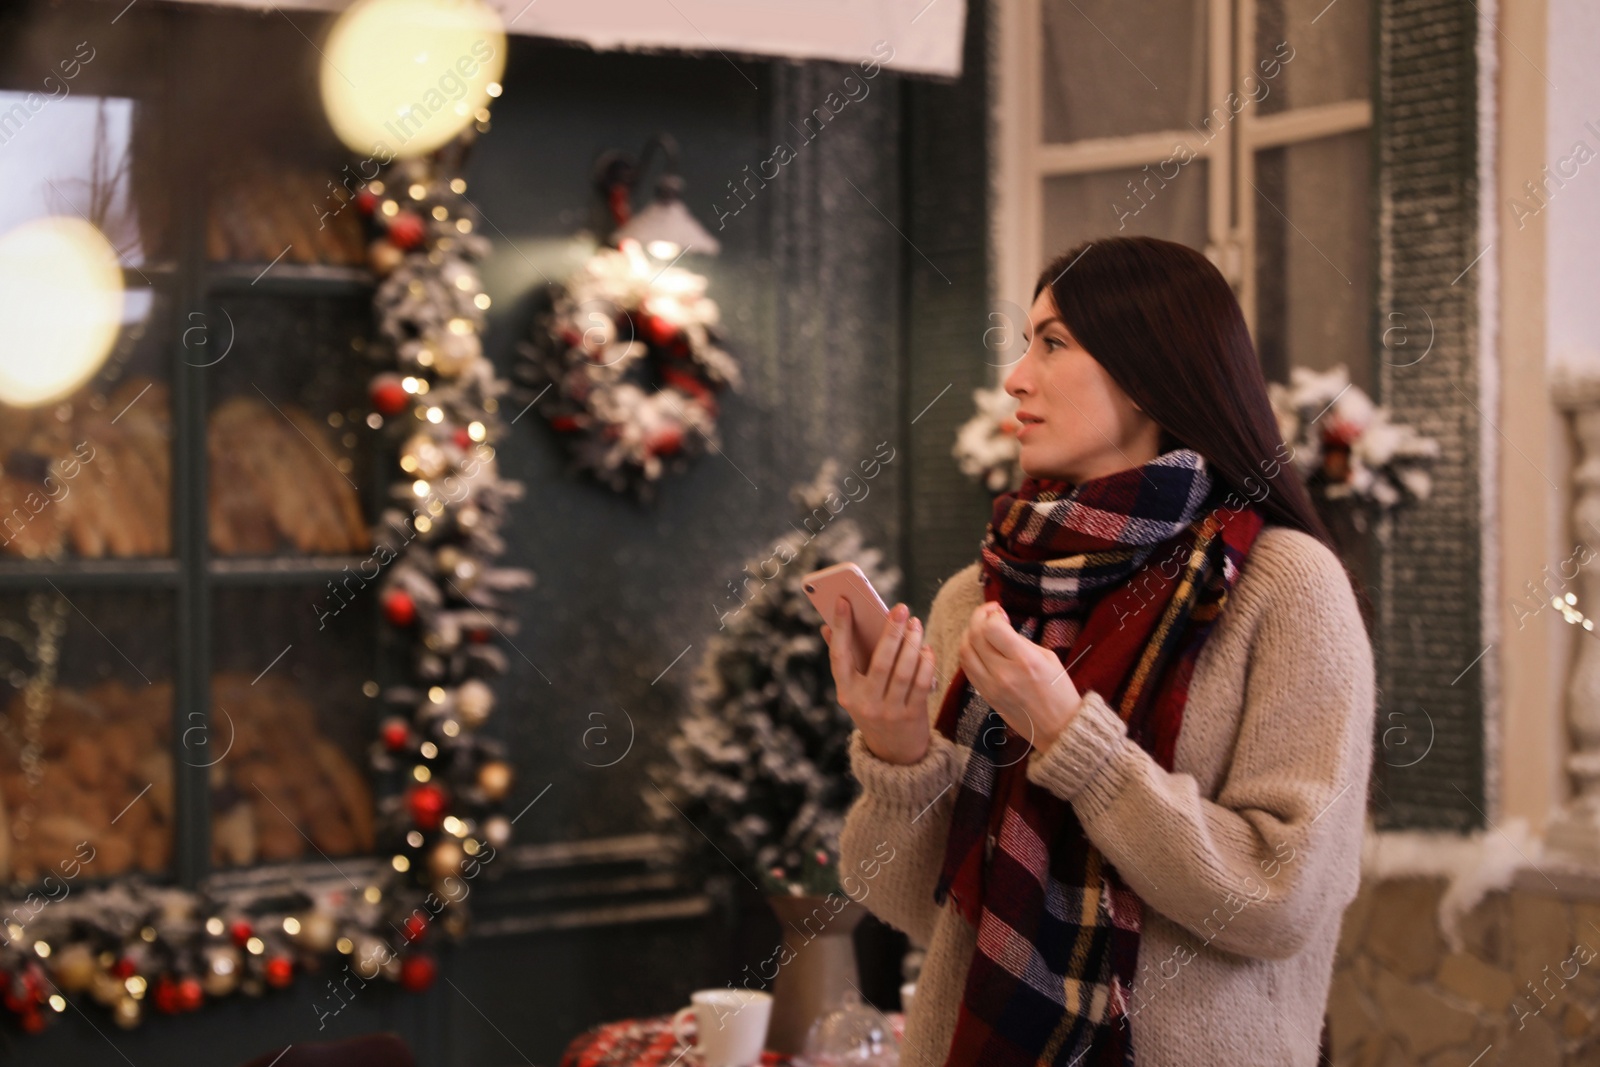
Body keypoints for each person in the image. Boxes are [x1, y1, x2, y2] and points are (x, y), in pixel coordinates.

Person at [824, 236, 1374, 1067]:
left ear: (1149, 372)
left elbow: (1279, 894)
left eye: (1053, 344)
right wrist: (897, 756)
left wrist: (1072, 738)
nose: (1016, 377)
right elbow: (906, 902)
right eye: (1026, 343)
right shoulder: (979, 597)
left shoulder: (1286, 584)